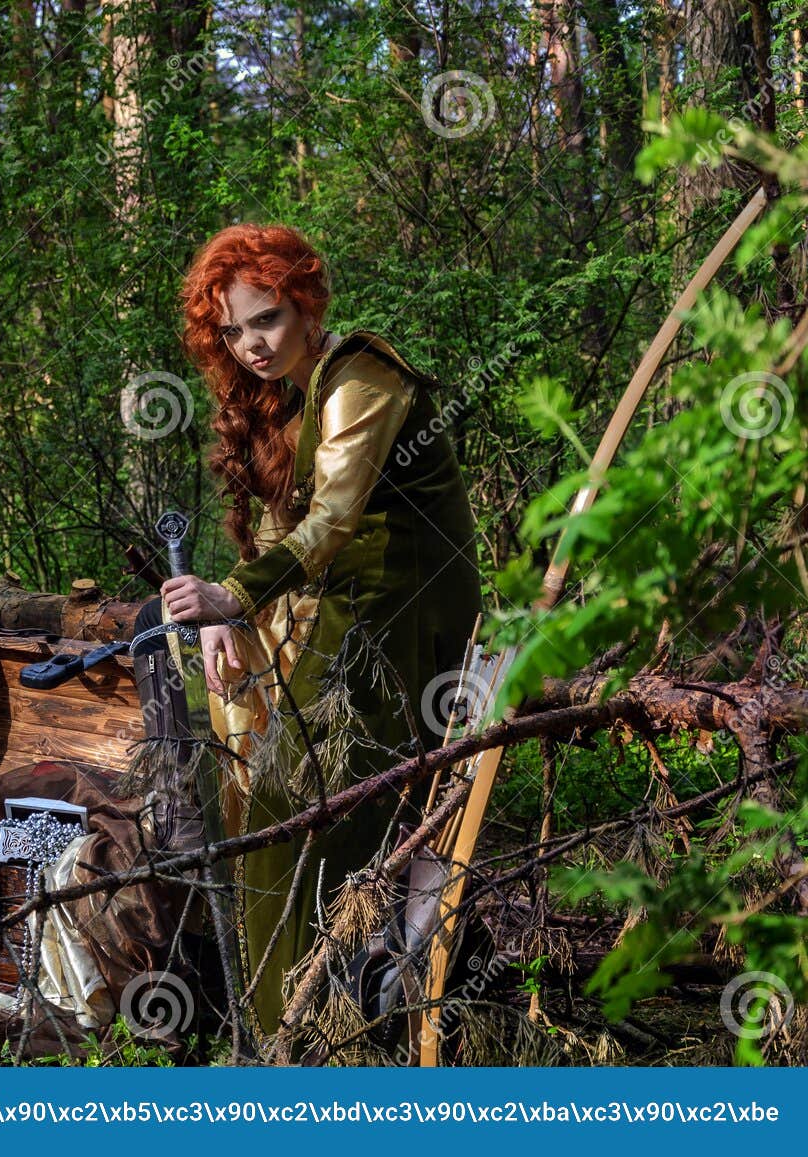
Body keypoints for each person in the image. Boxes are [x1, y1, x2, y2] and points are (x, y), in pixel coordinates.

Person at [146, 223, 482, 1048]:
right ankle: (283, 1031)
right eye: (232, 330)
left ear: (304, 301)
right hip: (344, 604)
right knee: (257, 785)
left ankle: (306, 1036)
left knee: (297, 799)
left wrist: (230, 595)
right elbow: (279, 528)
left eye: (264, 319)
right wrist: (239, 620)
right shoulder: (297, 390)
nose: (250, 344)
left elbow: (331, 522)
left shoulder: (360, 375)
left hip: (403, 608)